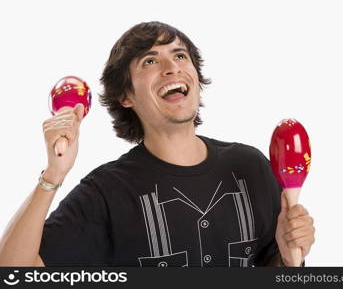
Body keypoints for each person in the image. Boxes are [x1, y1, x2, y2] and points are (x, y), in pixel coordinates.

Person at [0, 21, 315, 267]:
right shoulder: (107, 191)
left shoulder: (250, 166)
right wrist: (53, 174)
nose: (172, 67)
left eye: (180, 55)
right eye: (150, 61)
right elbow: (14, 272)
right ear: (125, 96)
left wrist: (290, 260)